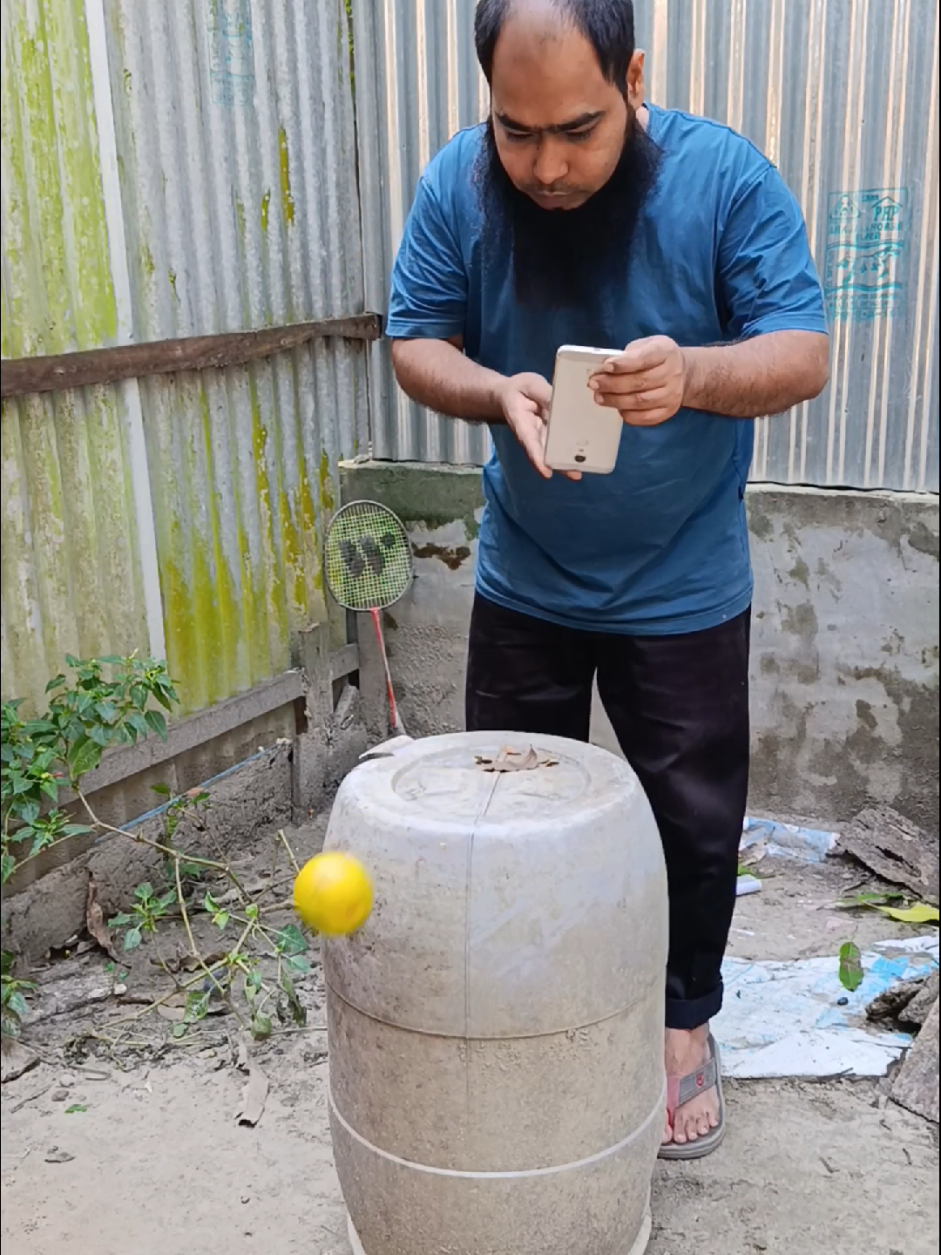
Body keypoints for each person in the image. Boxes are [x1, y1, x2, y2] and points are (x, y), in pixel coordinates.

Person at [385, 0, 829, 1158]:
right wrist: (491, 390)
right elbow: (413, 339)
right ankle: (531, 1022)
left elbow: (801, 351)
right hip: (524, 574)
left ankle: (681, 1031)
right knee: (503, 820)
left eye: (576, 129)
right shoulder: (456, 184)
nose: (545, 167)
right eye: (514, 132)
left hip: (682, 580)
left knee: (690, 824)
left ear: (631, 76)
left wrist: (692, 374)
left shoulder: (722, 180)